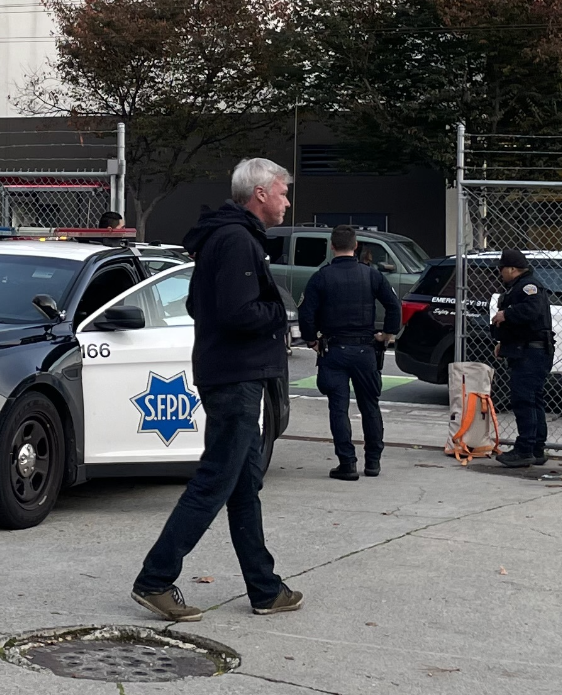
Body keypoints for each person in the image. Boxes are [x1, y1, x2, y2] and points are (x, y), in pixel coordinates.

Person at [132, 157, 302, 622]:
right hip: (236, 379)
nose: (288, 201)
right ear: (261, 193)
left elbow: (195, 301)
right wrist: (281, 315)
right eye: (283, 192)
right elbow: (238, 313)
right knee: (215, 481)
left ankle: (265, 589)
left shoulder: (227, 239)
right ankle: (155, 579)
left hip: (234, 375)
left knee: (244, 486)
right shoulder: (234, 240)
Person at [300, 225, 401, 480]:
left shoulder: (321, 277)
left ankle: (347, 463)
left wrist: (311, 340)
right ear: (356, 246)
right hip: (365, 349)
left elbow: (306, 313)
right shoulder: (371, 275)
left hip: (333, 350)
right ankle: (373, 462)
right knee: (370, 406)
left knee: (338, 408)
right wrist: (387, 334)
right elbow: (393, 306)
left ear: (332, 246)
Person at [490, 249, 555, 468]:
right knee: (532, 399)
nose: (500, 273)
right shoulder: (518, 287)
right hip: (525, 348)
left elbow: (532, 310)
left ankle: (525, 449)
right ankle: (535, 447)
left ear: (512, 269)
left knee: (524, 400)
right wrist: (503, 342)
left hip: (531, 352)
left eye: (502, 269)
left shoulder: (529, 286)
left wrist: (505, 315)